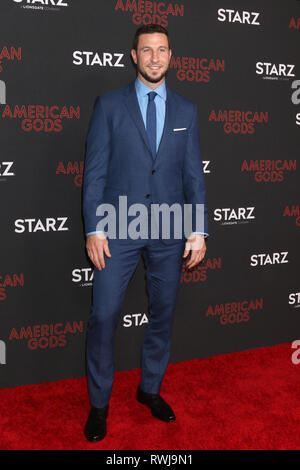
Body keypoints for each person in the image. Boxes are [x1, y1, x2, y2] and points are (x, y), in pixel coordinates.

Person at [82, 24, 209, 442]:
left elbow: (194, 176)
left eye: (162, 50)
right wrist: (95, 228)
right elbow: (95, 172)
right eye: (146, 50)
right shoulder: (109, 105)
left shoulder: (186, 111)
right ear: (133, 56)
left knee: (164, 314)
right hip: (119, 222)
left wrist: (198, 229)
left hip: (170, 228)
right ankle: (99, 404)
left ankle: (149, 389)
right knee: (103, 315)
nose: (154, 57)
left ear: (171, 56)